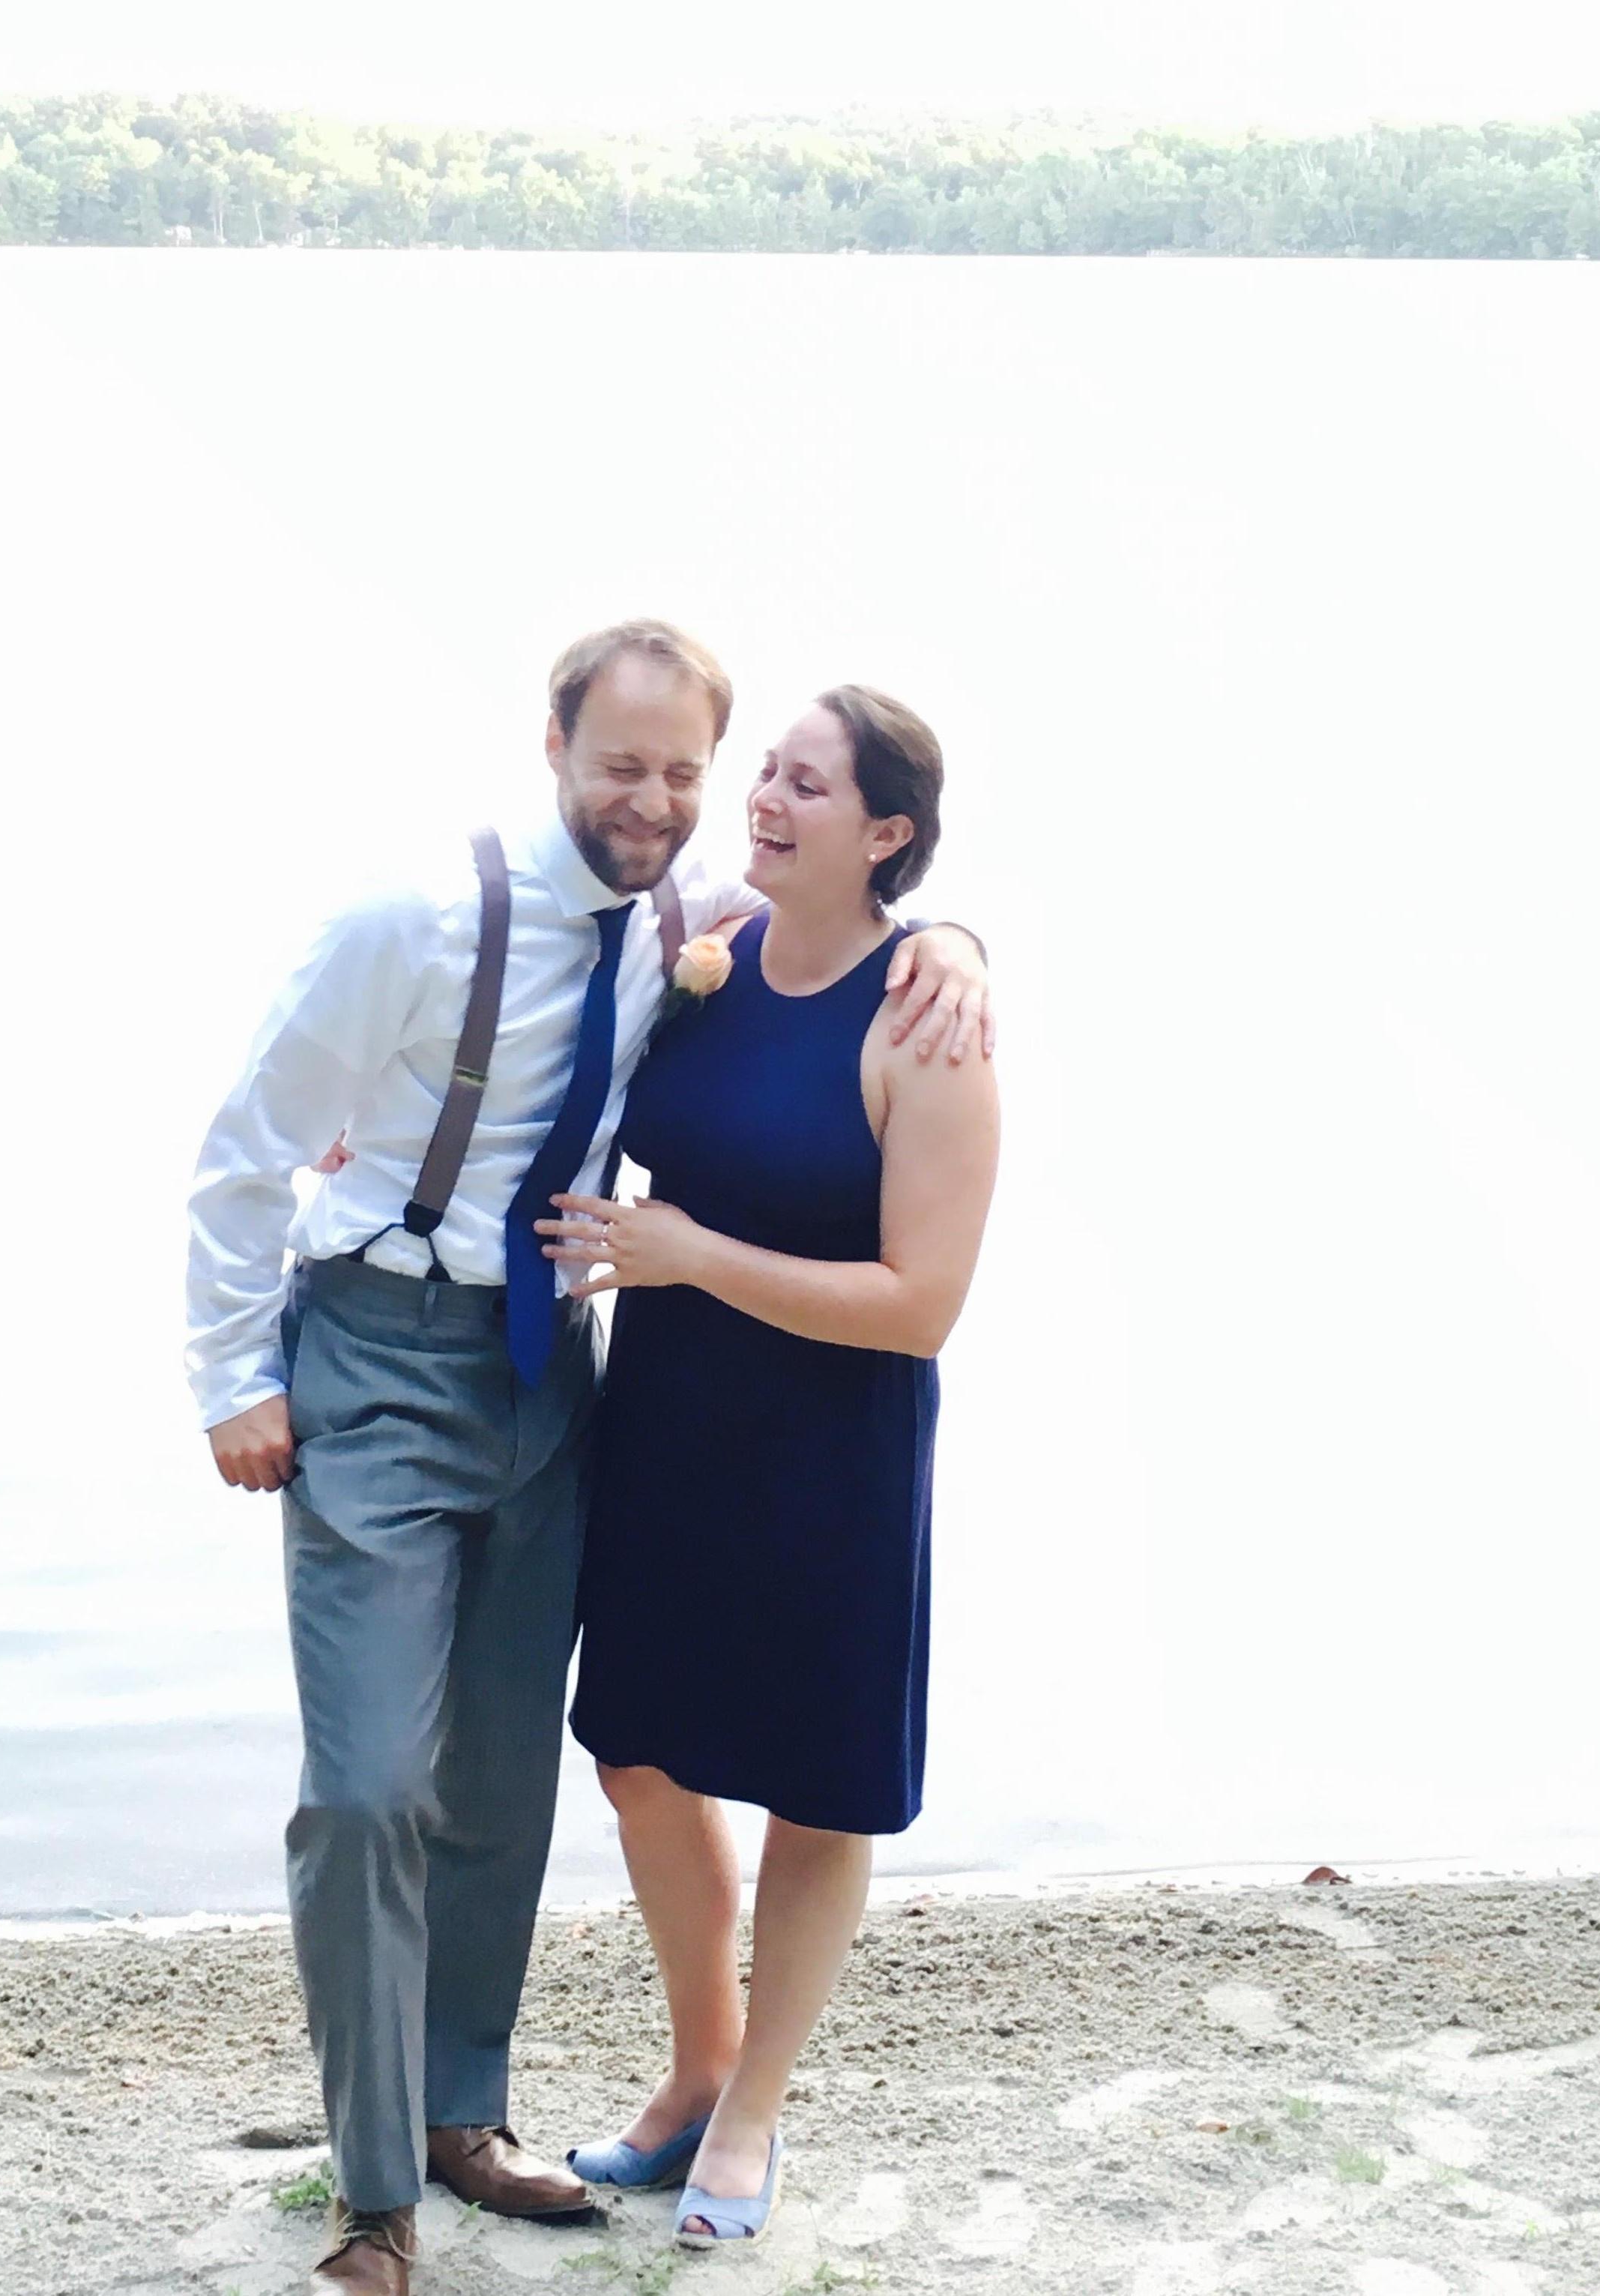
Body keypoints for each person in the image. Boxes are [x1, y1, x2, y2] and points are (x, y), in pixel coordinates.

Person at [184, 622, 995, 2295]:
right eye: (629, 765)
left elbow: (905, 1224)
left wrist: (961, 942)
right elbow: (257, 1143)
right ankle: (386, 2189)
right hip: (490, 1382)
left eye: (696, 772)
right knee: (431, 1780)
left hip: (636, 1400)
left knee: (542, 1779)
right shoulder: (522, 926)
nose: (672, 799)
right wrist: (232, 1372)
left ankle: (513, 2112)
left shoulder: (773, 961)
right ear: (550, 743)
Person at [546, 684, 1000, 2250]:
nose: (765, 797)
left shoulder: (923, 1020)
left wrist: (686, 1256)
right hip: (670, 1423)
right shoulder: (713, 947)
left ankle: (750, 2112)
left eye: (806, 784)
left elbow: (920, 1304)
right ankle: (694, 2066)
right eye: (768, 773)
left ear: (885, 833)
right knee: (635, 1753)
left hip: (833, 1448)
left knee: (815, 1792)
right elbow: (546, 988)